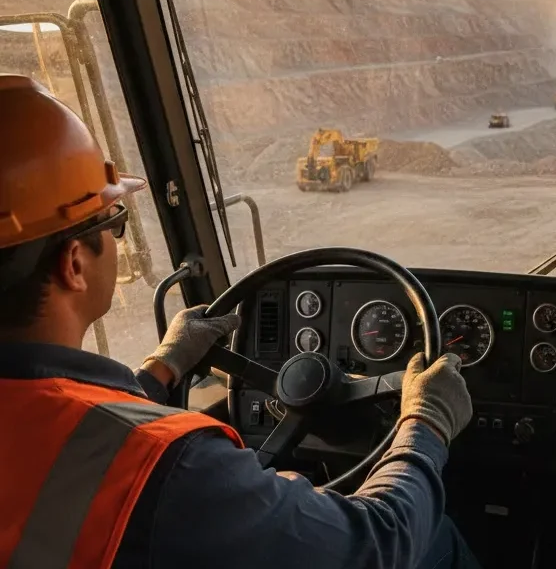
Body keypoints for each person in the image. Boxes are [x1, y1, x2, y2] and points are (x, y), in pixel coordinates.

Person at [0, 74, 480, 569]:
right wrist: (426, 423)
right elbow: (378, 544)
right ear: (74, 263)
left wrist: (162, 369)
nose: (119, 239)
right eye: (113, 221)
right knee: (434, 537)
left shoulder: (83, 439)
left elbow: (75, 456)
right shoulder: (175, 469)